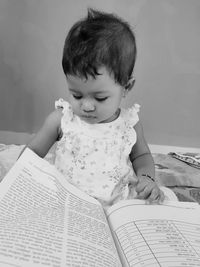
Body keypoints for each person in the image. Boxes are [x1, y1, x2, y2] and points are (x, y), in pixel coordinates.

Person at [21, 8, 174, 206]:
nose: (86, 106)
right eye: (76, 95)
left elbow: (142, 156)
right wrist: (22, 172)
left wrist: (147, 178)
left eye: (100, 98)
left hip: (113, 204)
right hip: (65, 203)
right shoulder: (61, 119)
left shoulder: (129, 125)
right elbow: (32, 151)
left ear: (126, 87)